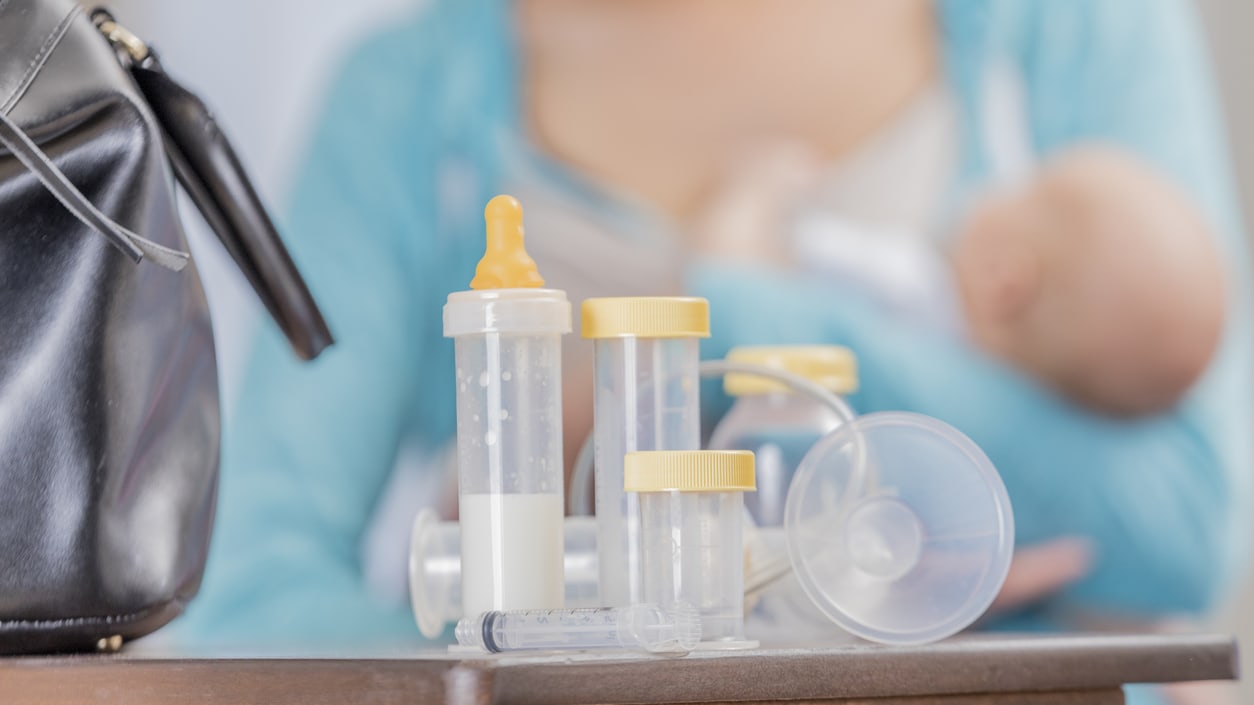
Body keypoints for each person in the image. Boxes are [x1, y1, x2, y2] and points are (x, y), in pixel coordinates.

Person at [176, 0, 1251, 683]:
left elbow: (1184, 521)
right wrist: (569, 636)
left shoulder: (1065, 28)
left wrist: (724, 311)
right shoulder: (410, 100)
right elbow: (249, 605)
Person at [709, 144, 1228, 417]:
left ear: (1004, 282)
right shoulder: (1014, 440)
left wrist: (752, 196)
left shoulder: (902, 284)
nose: (993, 187)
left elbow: (734, 288)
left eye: (1026, 190)